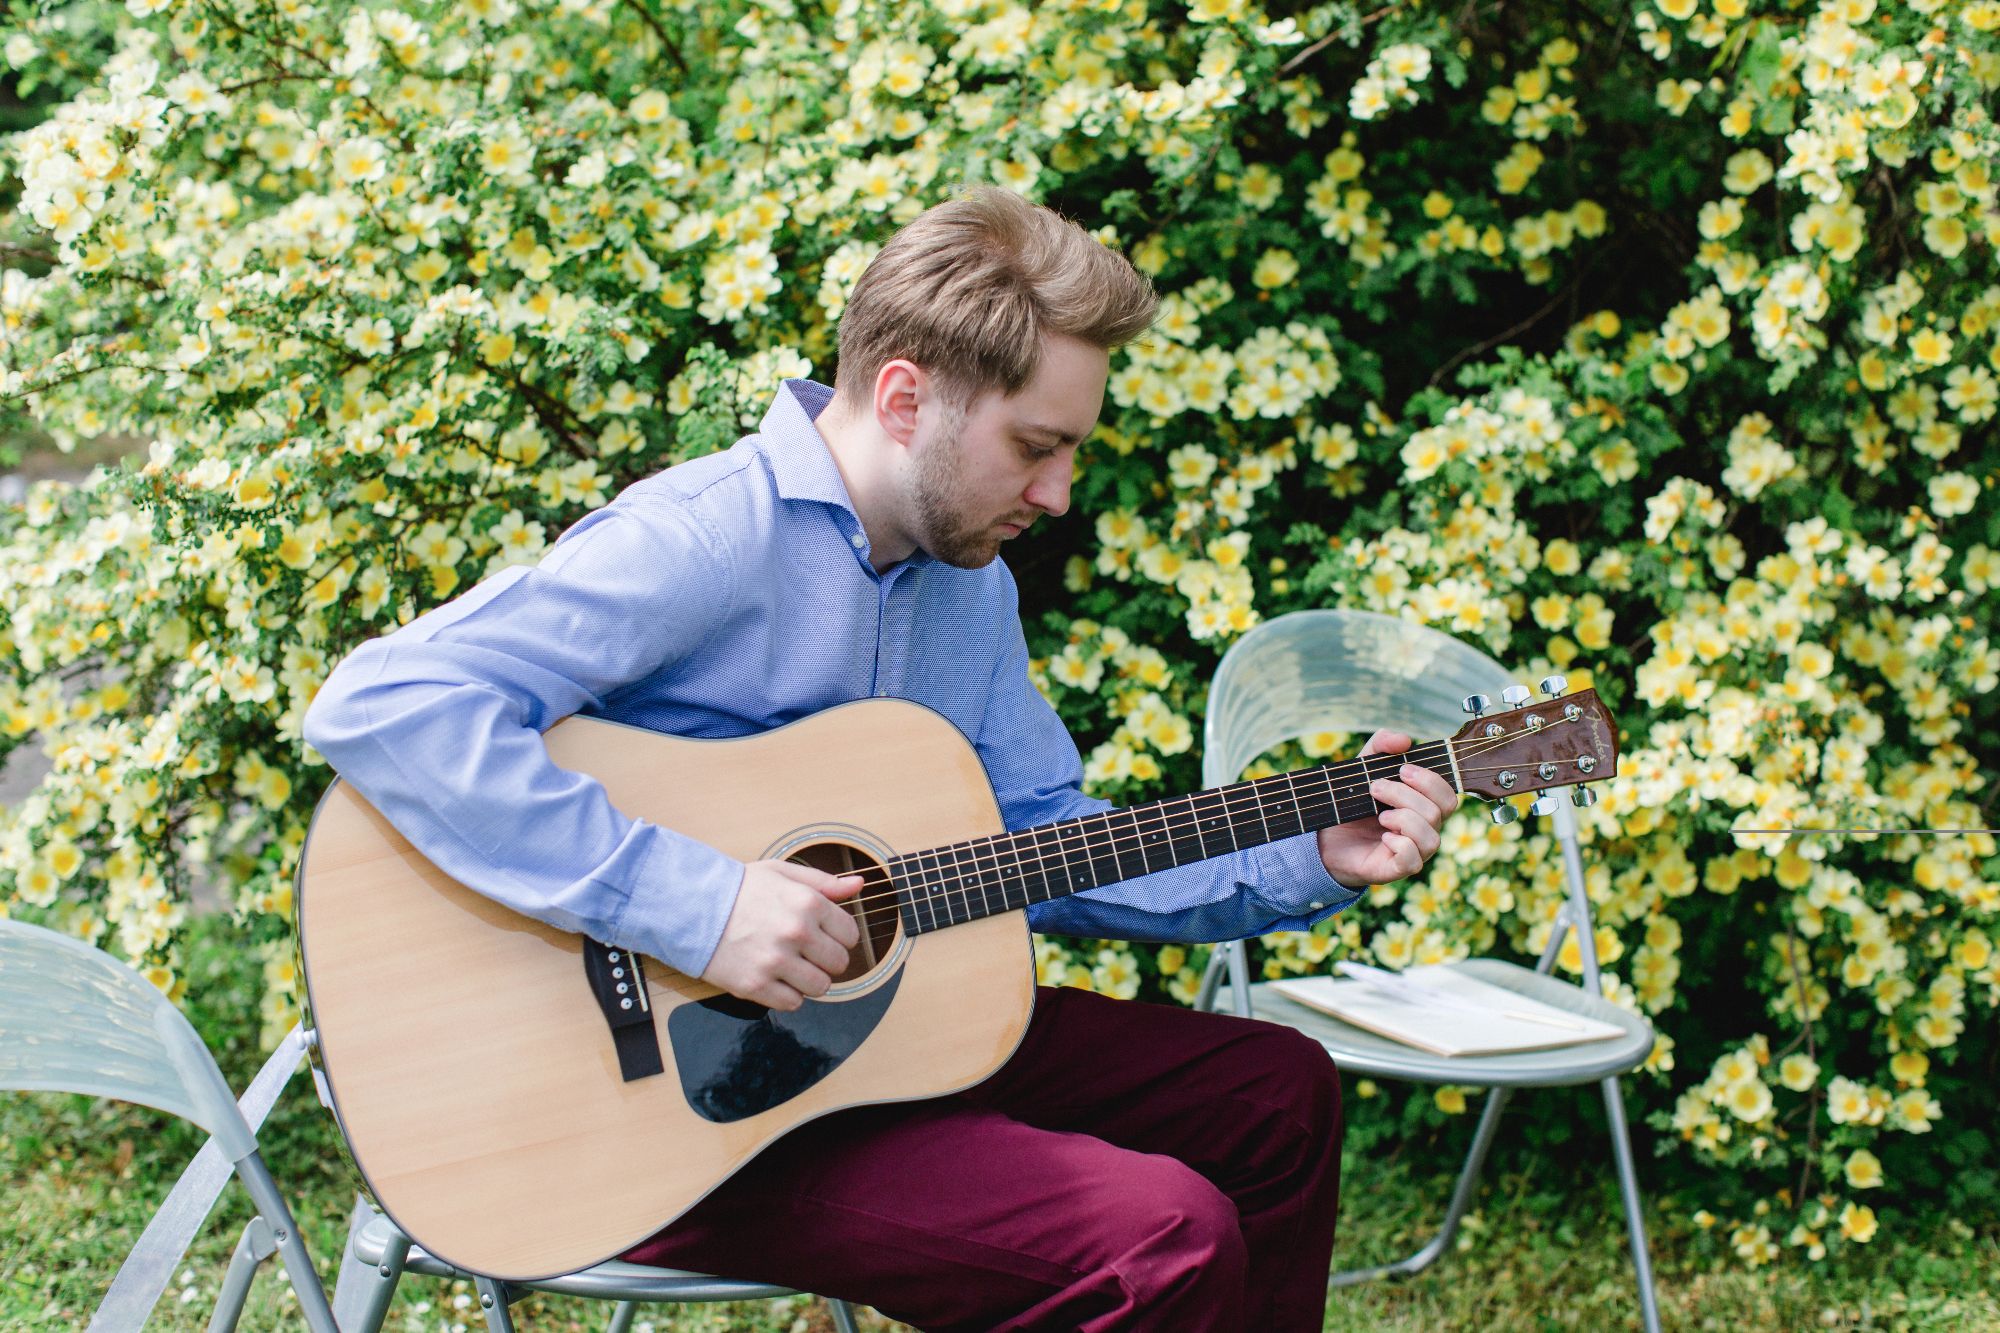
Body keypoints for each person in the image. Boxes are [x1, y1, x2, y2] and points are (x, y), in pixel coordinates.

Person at [302, 184, 1459, 1331]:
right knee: (1159, 1237)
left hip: (876, 1047)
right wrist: (700, 906)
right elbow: (385, 702)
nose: (1057, 494)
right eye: (1034, 447)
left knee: (1277, 1093)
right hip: (656, 1117)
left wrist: (1303, 851)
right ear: (905, 398)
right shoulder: (706, 538)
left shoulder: (970, 587)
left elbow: (1034, 841)